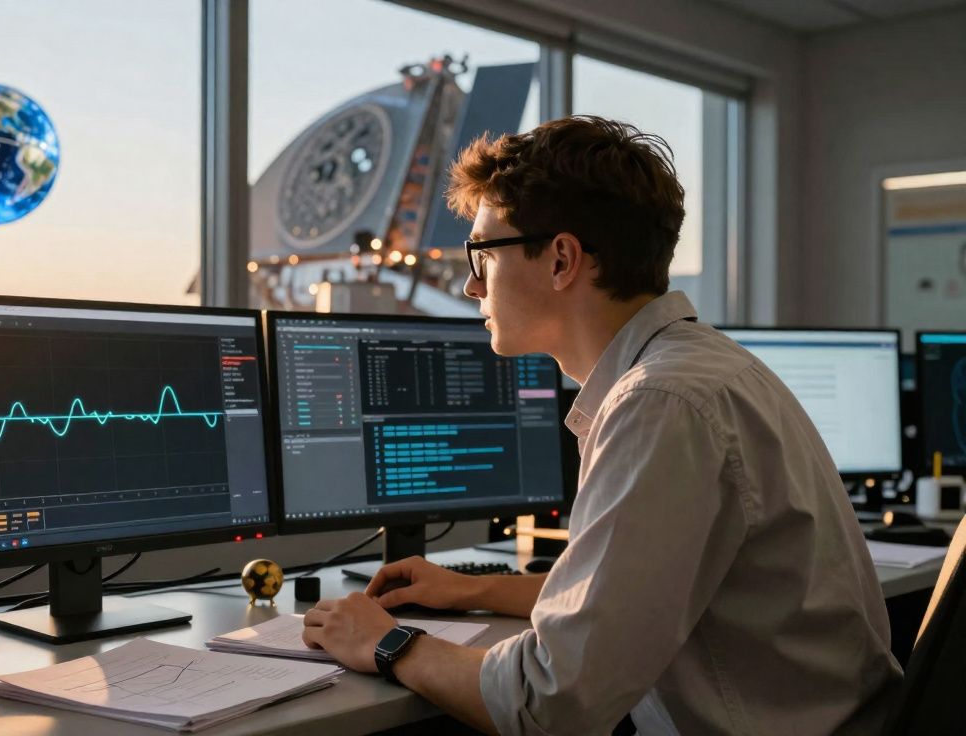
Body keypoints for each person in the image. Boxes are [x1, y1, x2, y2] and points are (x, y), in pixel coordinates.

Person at [300, 116, 902, 735]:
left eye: (482, 252)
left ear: (561, 259)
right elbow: (631, 597)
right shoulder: (699, 370)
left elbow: (550, 702)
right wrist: (470, 589)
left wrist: (389, 644)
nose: (469, 282)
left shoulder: (661, 403)